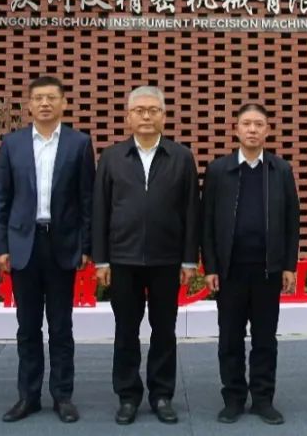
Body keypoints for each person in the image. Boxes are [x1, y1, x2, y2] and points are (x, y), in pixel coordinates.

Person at [92, 85, 200, 425]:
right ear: (128, 117)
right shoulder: (112, 157)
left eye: (153, 110)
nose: (146, 116)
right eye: (139, 111)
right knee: (126, 330)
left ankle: (162, 394)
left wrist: (189, 259)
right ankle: (127, 395)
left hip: (167, 259)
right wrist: (101, 259)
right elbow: (100, 210)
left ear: (164, 117)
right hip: (122, 259)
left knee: (164, 329)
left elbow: (191, 211)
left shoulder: (181, 157)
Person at [0, 76, 95, 423]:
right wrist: (2, 246)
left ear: (64, 103)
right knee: (27, 327)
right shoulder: (13, 144)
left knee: (61, 327)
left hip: (62, 244)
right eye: (38, 98)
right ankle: (28, 396)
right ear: (30, 105)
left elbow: (86, 199)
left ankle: (62, 396)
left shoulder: (79, 143)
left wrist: (85, 245)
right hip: (24, 243)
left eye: (52, 97)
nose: (45, 103)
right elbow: (1, 198)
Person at [201, 103, 300, 425]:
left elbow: (292, 221)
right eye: (247, 124)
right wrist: (210, 267)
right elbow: (206, 222)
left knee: (265, 339)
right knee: (229, 339)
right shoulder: (219, 170)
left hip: (268, 270)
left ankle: (262, 399)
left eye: (259, 124)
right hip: (230, 270)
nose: (253, 130)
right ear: (236, 129)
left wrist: (289, 265)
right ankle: (233, 399)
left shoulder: (280, 170)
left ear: (267, 130)